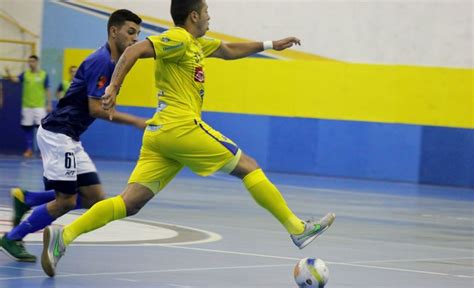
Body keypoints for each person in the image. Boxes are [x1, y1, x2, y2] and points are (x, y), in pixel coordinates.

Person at [41, 0, 336, 277]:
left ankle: (64, 236)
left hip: (160, 136)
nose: (209, 16)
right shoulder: (178, 38)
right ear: (194, 15)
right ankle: (297, 228)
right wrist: (114, 87)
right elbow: (133, 52)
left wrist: (272, 44)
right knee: (248, 165)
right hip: (181, 127)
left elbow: (229, 49)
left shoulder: (196, 44)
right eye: (206, 10)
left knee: (130, 203)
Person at [0, 9, 147, 263]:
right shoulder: (101, 61)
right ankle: (13, 237)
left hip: (70, 136)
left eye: (138, 34)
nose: (135, 39)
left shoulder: (115, 62)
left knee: (94, 198)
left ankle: (27, 199)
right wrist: (136, 121)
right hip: (58, 134)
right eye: (130, 32)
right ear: (114, 31)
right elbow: (95, 108)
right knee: (66, 201)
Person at [4, 55, 52, 158]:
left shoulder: (44, 75)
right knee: (27, 128)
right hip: (27, 106)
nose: (31, 63)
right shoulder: (25, 74)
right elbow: (15, 80)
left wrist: (49, 103)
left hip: (39, 106)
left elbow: (47, 90)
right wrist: (8, 72)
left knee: (42, 129)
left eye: (33, 61)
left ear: (37, 62)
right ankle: (29, 149)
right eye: (29, 61)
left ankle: (42, 151)